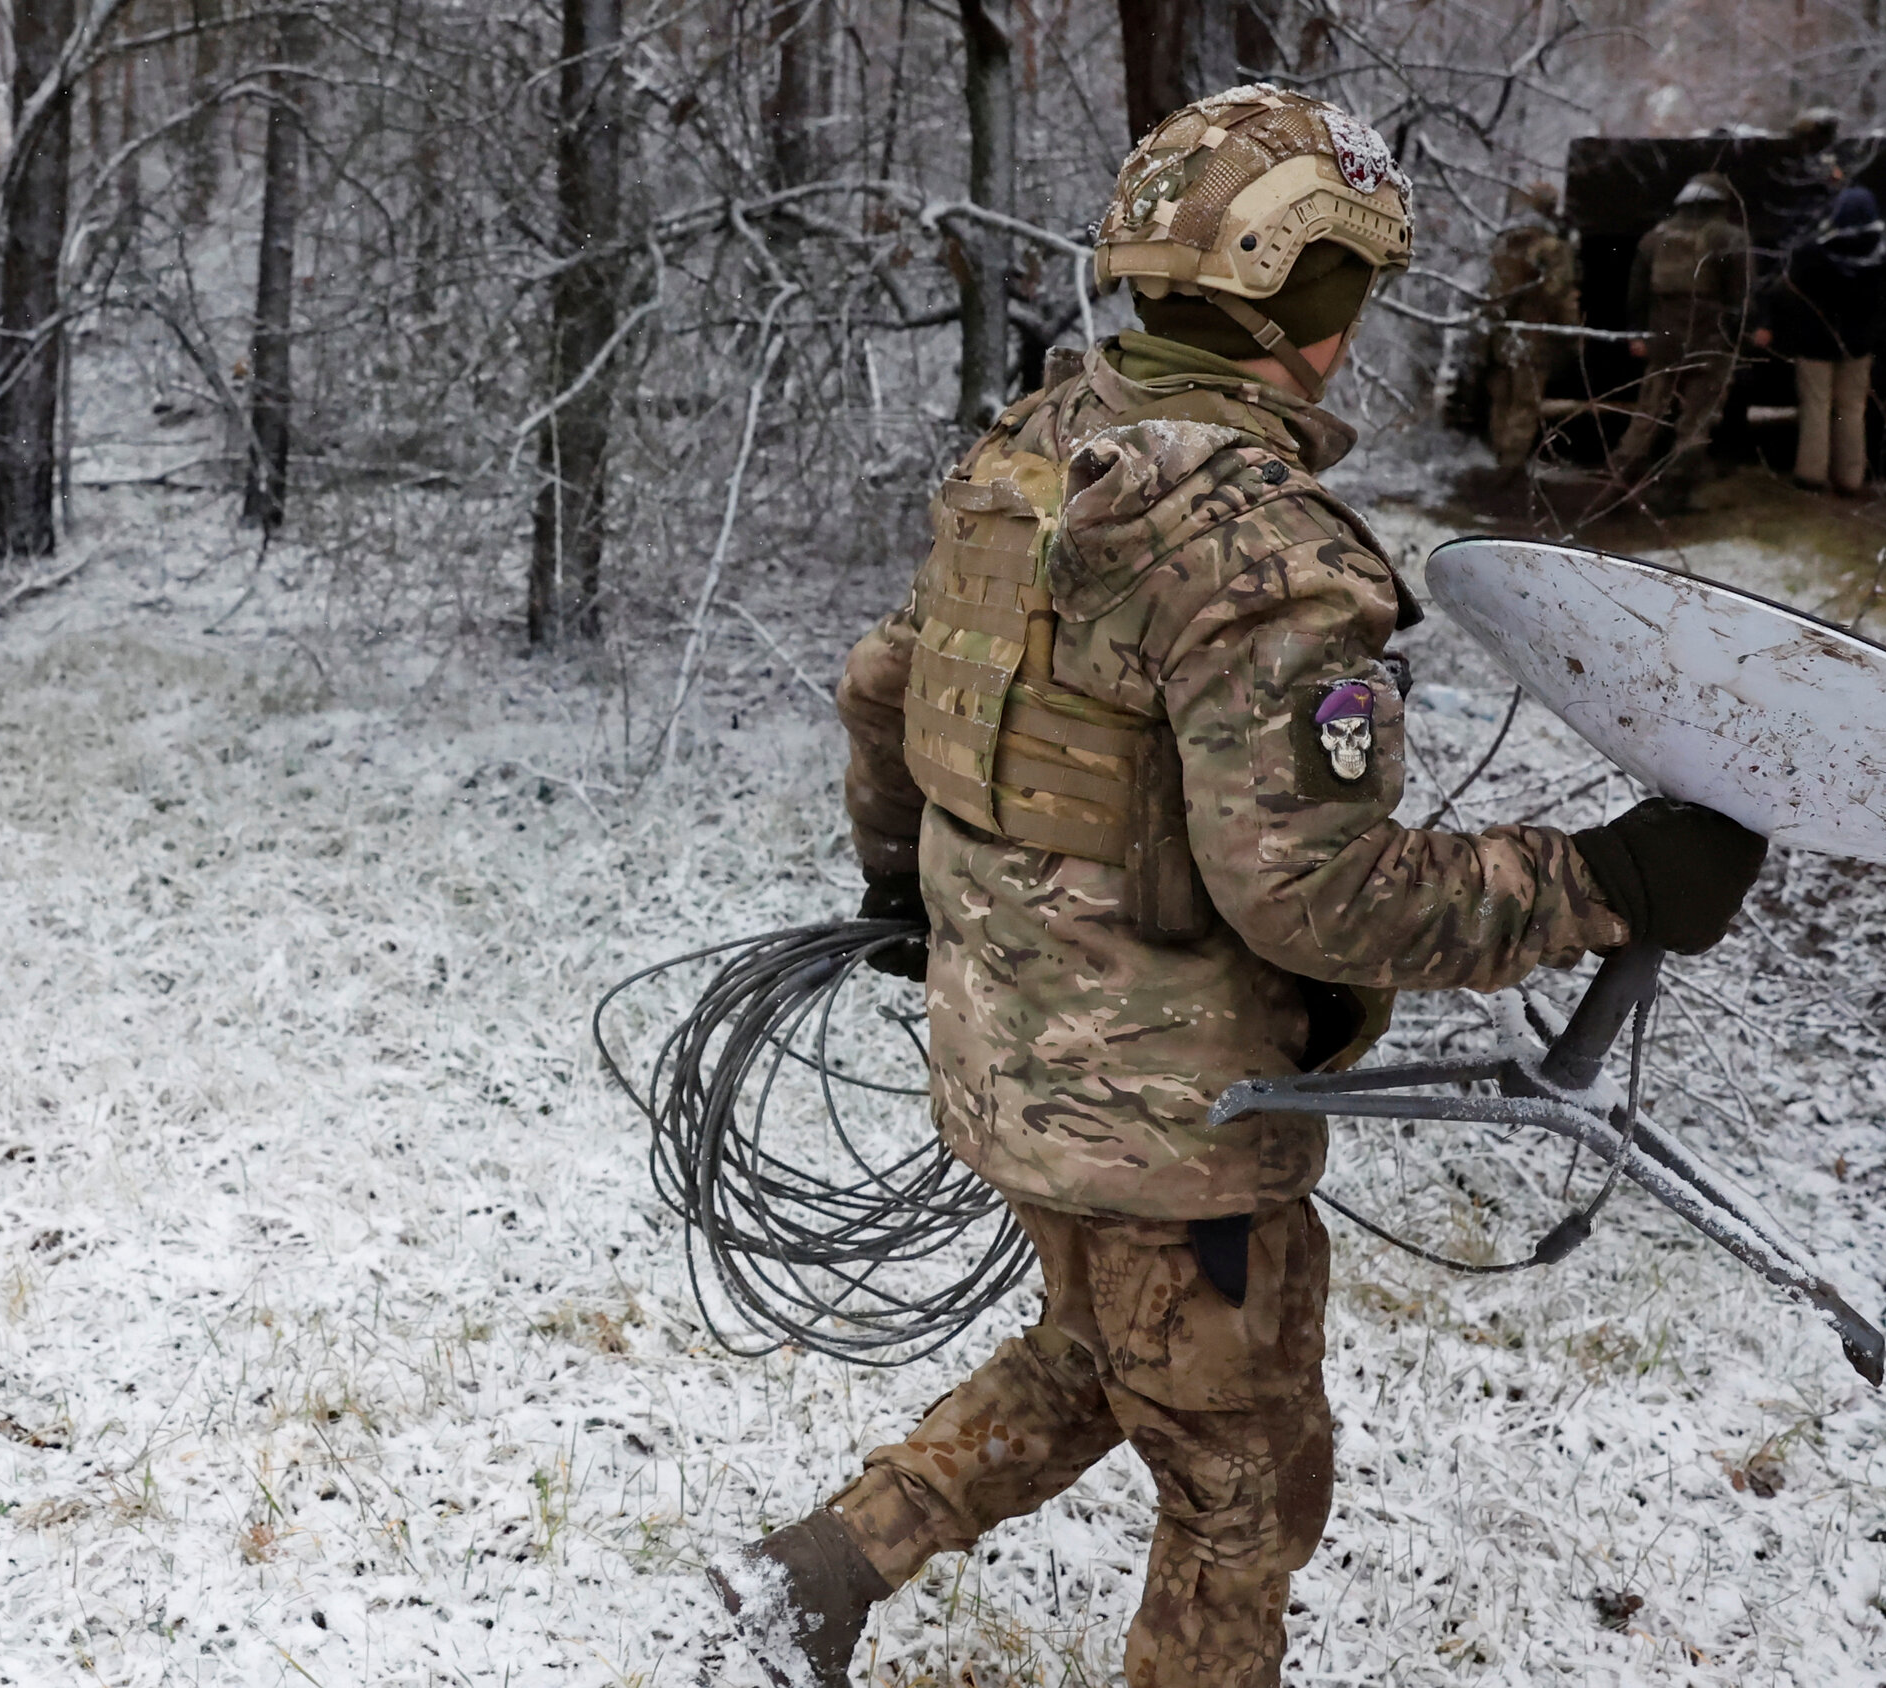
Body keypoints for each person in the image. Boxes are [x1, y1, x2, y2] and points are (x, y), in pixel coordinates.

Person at [710, 85, 1768, 1688]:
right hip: (1173, 1135)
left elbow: (883, 688)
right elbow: (1319, 901)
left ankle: (820, 1574)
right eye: (1350, 291)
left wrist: (902, 897)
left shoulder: (1036, 450)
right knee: (1245, 1487)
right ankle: (831, 1584)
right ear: (1304, 296)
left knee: (1095, 1352)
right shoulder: (1257, 547)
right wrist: (1606, 880)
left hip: (1011, 1067)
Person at [1608, 172, 1752, 506]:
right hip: (1710, 342)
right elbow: (1740, 298)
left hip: (1664, 341)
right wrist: (1735, 341)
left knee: (1647, 416)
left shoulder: (1653, 238)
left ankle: (1617, 481)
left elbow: (1636, 295)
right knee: (1696, 421)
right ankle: (1675, 492)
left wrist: (1639, 334)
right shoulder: (1730, 238)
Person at [1754, 185, 1886, 494]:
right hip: (1858, 345)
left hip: (1814, 343)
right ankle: (1849, 478)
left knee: (1816, 407)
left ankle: (1811, 475)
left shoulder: (1813, 254)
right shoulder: (1883, 256)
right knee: (1851, 409)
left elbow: (1783, 291)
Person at [1483, 182, 1581, 471]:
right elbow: (1558, 294)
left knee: (1502, 399)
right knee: (1525, 403)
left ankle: (1498, 457)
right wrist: (1572, 334)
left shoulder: (1504, 240)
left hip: (1501, 332)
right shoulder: (1552, 246)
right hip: (1534, 333)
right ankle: (1510, 467)